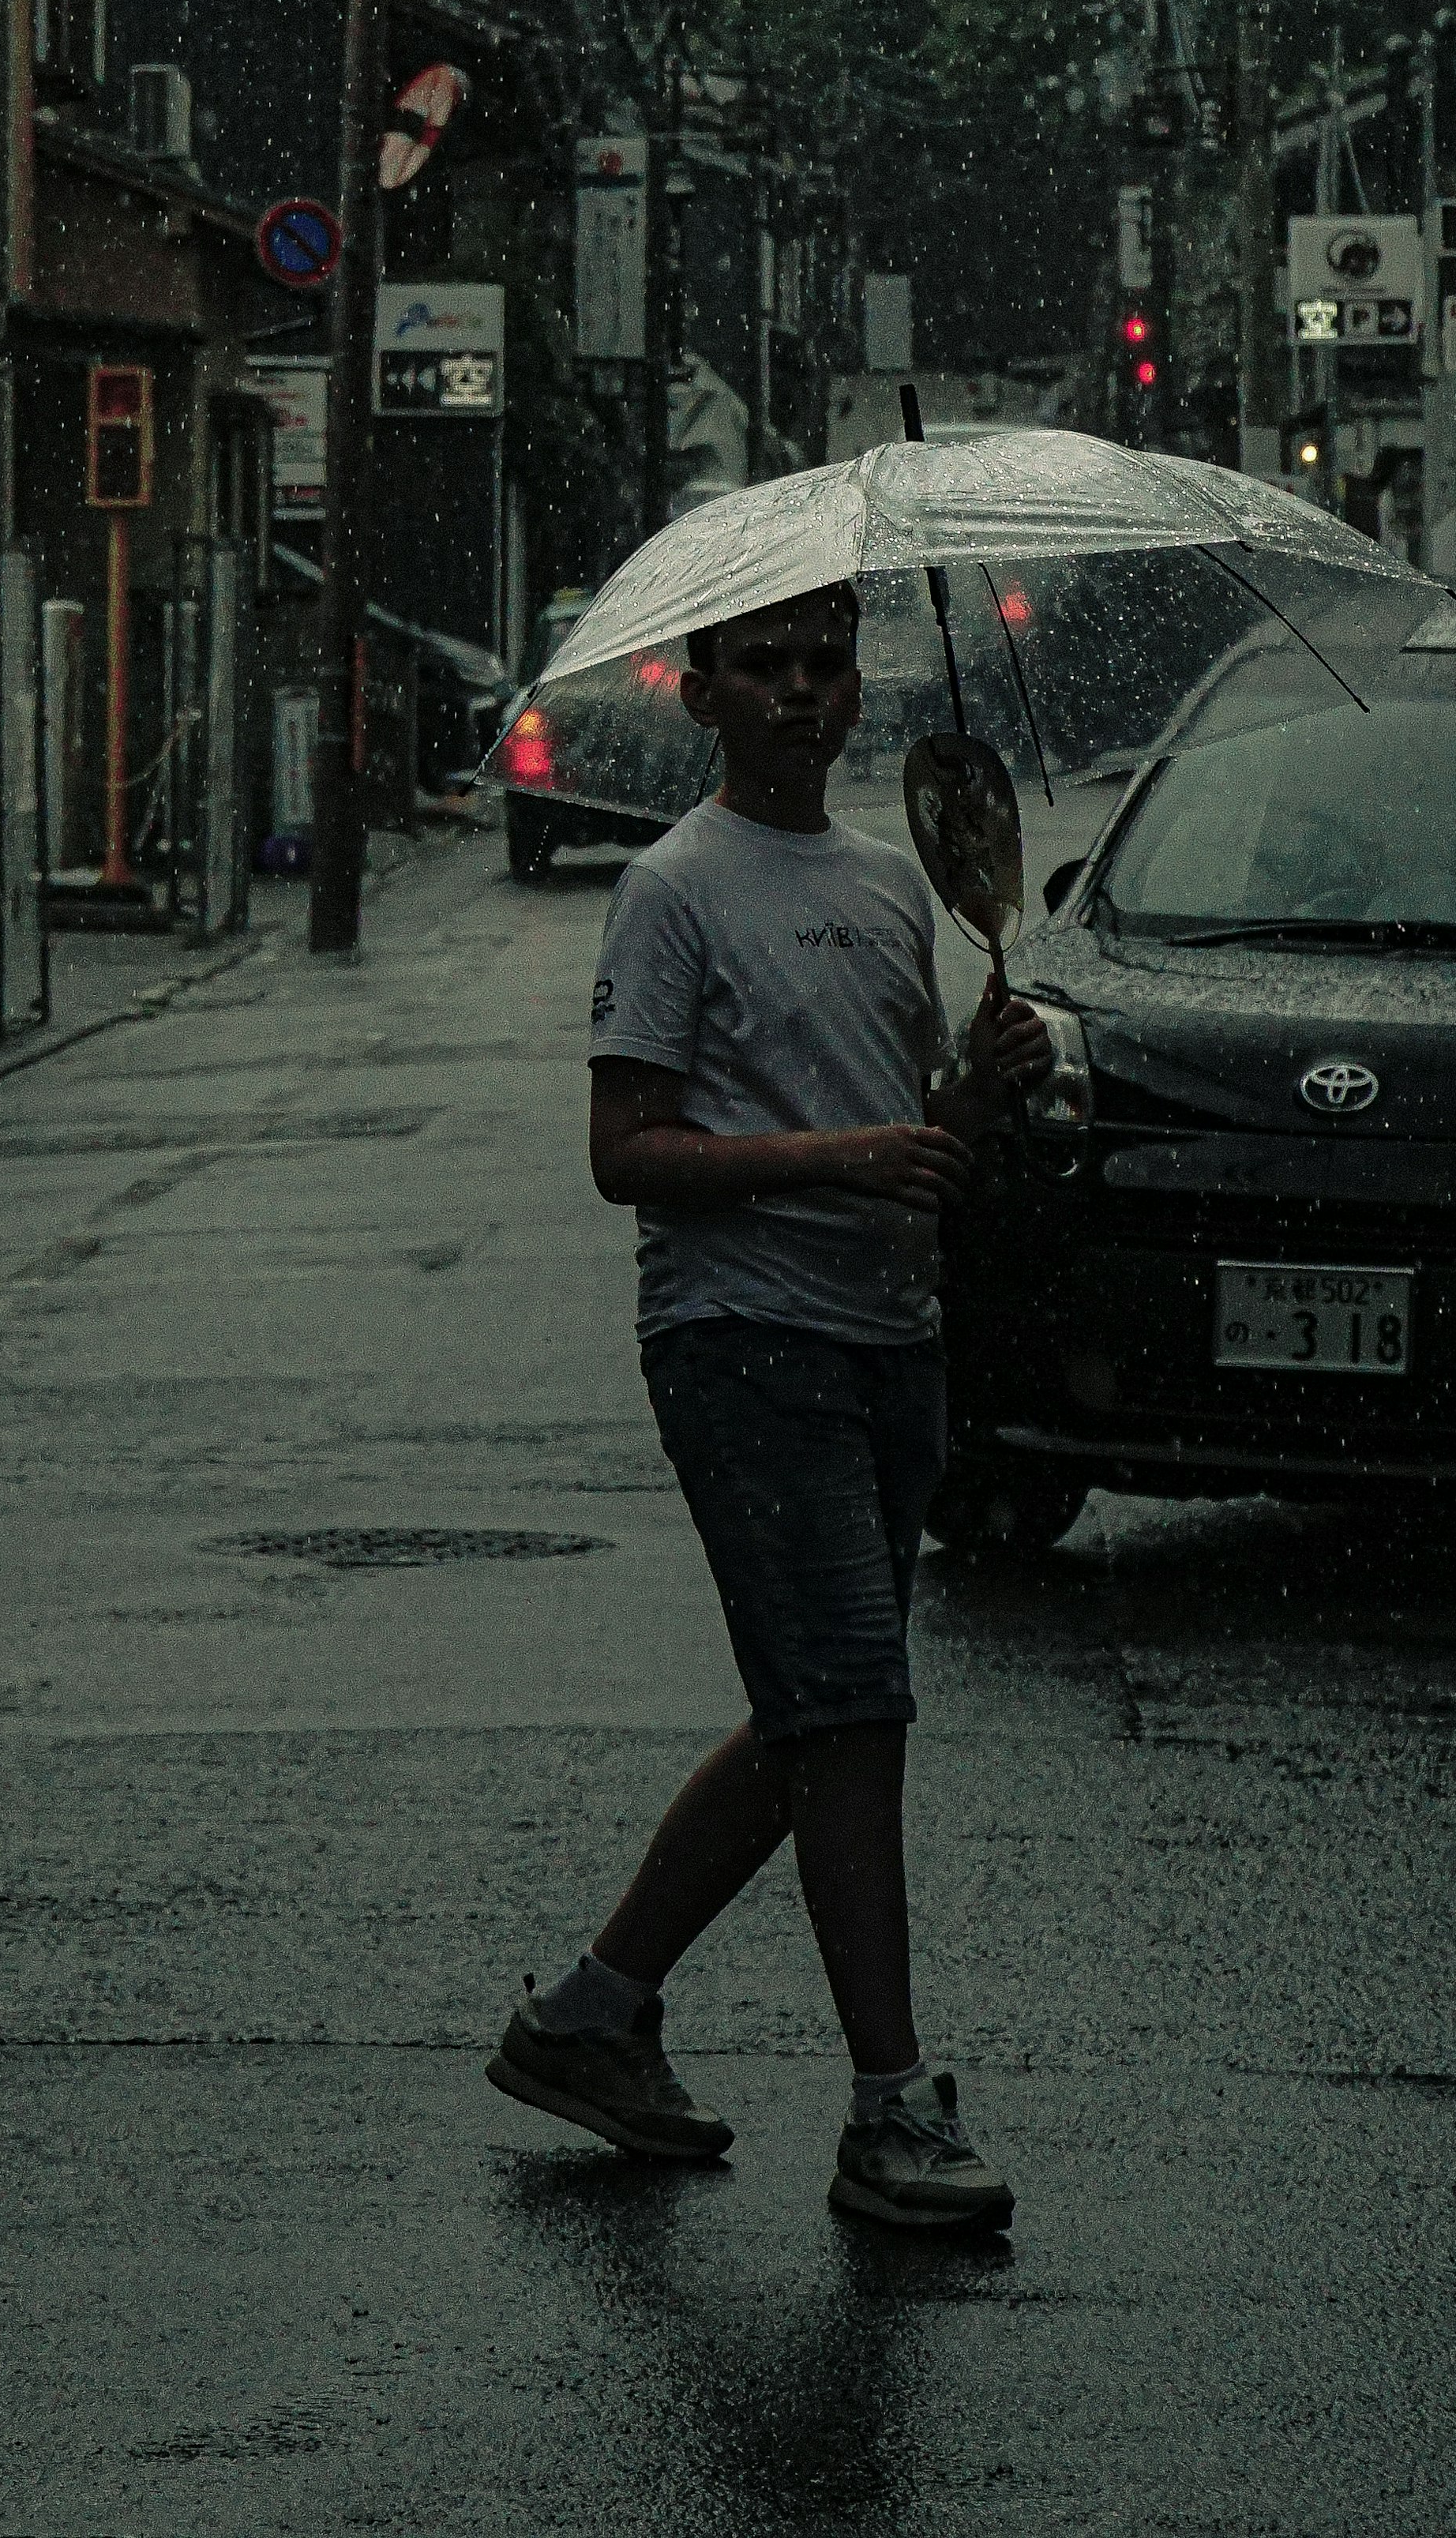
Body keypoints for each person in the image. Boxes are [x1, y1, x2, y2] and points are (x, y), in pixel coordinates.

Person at [485, 579, 1050, 2232]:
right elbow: (629, 1155)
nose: (803, 692)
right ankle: (890, 2111)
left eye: (825, 662)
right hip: (746, 1345)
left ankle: (591, 2018)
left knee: (815, 1713)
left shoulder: (891, 886)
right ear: (700, 693)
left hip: (894, 1344)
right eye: (765, 667)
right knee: (853, 1711)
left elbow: (911, 1132)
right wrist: (849, 1158)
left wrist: (974, 1096)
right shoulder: (672, 891)